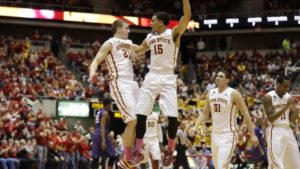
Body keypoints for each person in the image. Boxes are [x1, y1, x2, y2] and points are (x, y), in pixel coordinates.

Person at [131, 0, 191, 167]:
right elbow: (139, 49)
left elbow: (187, 17)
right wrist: (124, 47)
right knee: (141, 114)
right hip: (152, 76)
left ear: (161, 22)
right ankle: (137, 149)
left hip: (167, 77)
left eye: (152, 20)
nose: (150, 23)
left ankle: (170, 149)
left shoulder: (173, 34)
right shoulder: (150, 37)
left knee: (172, 117)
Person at [89, 19, 142, 168]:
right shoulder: (110, 43)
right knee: (132, 121)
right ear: (118, 29)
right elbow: (97, 59)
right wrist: (92, 72)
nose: (129, 31)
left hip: (132, 83)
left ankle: (135, 152)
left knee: (143, 118)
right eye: (127, 28)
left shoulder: (129, 43)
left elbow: (142, 48)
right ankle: (127, 157)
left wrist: (160, 40)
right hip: (120, 83)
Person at [191, 70, 259, 169]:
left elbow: (246, 114)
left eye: (221, 76)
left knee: (222, 166)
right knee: (218, 166)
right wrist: (196, 126)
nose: (217, 78)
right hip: (215, 134)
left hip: (229, 135)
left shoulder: (234, 93)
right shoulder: (211, 93)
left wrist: (252, 135)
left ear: (227, 80)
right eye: (217, 76)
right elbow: (205, 113)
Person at [262, 75, 300, 169]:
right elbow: (271, 118)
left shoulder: (288, 97)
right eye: (285, 86)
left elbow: (293, 115)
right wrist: (286, 107)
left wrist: (295, 110)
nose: (286, 89)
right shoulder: (268, 97)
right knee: (276, 164)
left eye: (288, 86)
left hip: (288, 131)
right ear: (278, 84)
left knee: (295, 163)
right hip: (275, 130)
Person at [91, 99, 116, 169]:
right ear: (108, 105)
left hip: (96, 134)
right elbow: (102, 127)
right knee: (112, 155)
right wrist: (104, 141)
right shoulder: (105, 113)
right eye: (111, 104)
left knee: (95, 157)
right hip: (101, 134)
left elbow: (99, 126)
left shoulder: (99, 112)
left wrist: (111, 138)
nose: (111, 106)